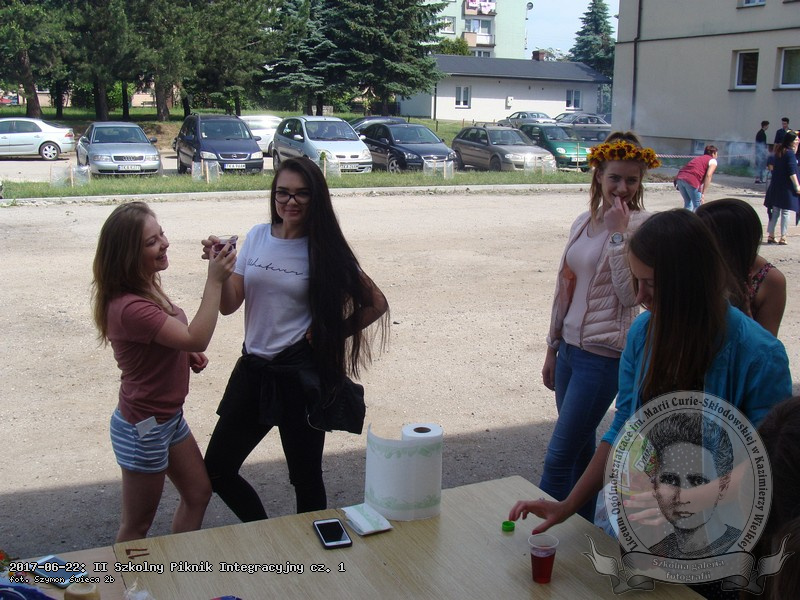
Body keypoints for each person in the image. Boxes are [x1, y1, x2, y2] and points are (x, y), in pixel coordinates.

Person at [509, 210, 791, 538]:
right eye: (636, 280)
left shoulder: (759, 355)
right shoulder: (643, 333)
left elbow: (766, 462)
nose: (640, 297)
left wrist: (689, 499)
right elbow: (624, 426)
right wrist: (568, 505)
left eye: (652, 284)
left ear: (693, 281)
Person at [203, 157, 389, 522]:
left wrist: (330, 332)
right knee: (217, 470)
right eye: (283, 193)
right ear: (273, 195)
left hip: (299, 376)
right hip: (254, 372)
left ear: (316, 198)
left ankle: (309, 547)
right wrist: (219, 271)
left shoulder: (325, 249)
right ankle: (265, 533)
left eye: (302, 194)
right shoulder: (258, 236)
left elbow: (376, 303)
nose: (291, 201)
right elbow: (229, 305)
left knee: (305, 479)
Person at [91, 201, 237, 542]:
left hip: (167, 418)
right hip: (144, 427)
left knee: (198, 493)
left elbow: (163, 338)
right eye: (151, 242)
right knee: (136, 525)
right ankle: (128, 577)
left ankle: (177, 566)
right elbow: (195, 336)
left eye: (162, 234)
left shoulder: (145, 284)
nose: (164, 244)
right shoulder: (129, 306)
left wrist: (182, 353)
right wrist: (215, 280)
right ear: (128, 255)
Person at [538, 131, 660, 522]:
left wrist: (618, 233)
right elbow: (565, 287)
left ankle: (537, 536)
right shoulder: (582, 222)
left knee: (558, 457)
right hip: (570, 351)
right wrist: (552, 347)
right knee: (579, 452)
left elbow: (630, 295)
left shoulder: (642, 226)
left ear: (640, 182)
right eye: (615, 178)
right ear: (598, 176)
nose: (622, 188)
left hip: (603, 357)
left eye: (631, 180)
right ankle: (582, 533)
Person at [643, 412, 741, 559]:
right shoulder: (654, 552)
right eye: (670, 480)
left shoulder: (741, 552)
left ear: (723, 487)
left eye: (698, 481)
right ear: (654, 484)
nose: (683, 497)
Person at [696, 198, 786, 336]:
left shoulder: (769, 279)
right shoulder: (698, 264)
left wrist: (745, 315)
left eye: (705, 239)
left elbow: (767, 344)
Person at [764, 130, 800, 245]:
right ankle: (783, 237)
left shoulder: (779, 150)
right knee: (785, 212)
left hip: (776, 185)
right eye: (796, 139)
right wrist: (797, 186)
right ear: (791, 141)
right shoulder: (789, 154)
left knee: (775, 211)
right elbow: (792, 172)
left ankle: (771, 235)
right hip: (786, 187)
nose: (798, 141)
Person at [674, 145, 718, 211]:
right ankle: (694, 218)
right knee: (698, 206)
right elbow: (708, 175)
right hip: (691, 180)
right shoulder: (713, 160)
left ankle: (685, 217)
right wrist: (703, 193)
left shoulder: (699, 158)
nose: (717, 156)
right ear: (713, 153)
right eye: (716, 154)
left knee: (688, 204)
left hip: (680, 178)